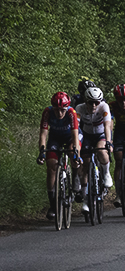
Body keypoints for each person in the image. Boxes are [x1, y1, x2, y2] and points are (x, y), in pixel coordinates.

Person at [37, 92, 81, 221]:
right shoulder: (47, 112)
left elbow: (75, 135)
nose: (60, 113)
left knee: (73, 153)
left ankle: (75, 179)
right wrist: (41, 151)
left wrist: (76, 154)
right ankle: (53, 205)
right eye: (57, 110)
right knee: (51, 167)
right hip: (55, 139)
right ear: (52, 108)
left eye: (62, 110)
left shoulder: (71, 113)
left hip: (69, 137)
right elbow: (43, 134)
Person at [75, 85, 114, 212]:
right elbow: (76, 128)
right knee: (85, 166)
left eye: (96, 102)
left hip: (101, 134)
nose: (93, 106)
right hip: (87, 135)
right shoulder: (79, 108)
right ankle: (86, 200)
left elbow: (107, 126)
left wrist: (108, 142)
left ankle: (106, 173)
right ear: (85, 101)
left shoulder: (104, 107)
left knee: (101, 151)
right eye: (90, 103)